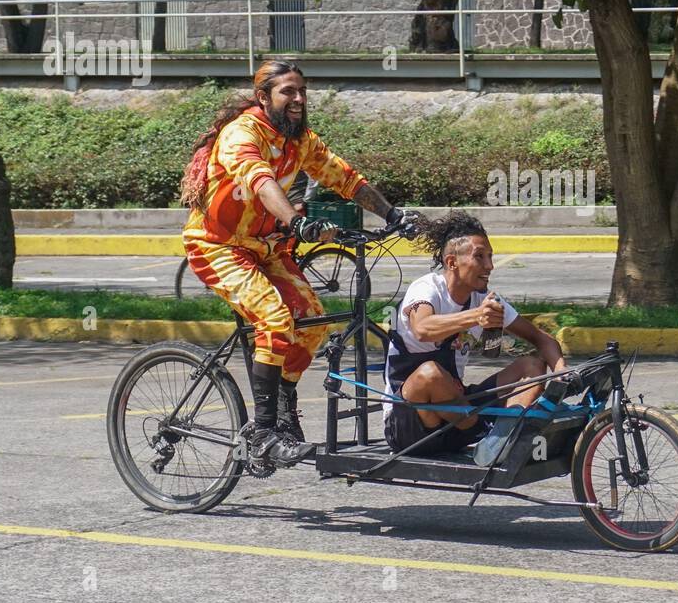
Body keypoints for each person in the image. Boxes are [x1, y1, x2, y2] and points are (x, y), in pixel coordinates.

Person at [179, 59, 415, 467]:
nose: (299, 99)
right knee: (274, 318)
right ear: (263, 97)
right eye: (288, 91)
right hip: (219, 247)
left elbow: (346, 178)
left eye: (302, 91)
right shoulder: (242, 134)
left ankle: (284, 407)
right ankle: (263, 432)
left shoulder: (300, 139)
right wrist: (297, 221)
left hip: (267, 248)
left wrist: (392, 215)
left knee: (313, 321)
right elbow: (260, 181)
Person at [383, 211, 567, 457]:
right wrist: (475, 317)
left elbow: (541, 339)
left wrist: (561, 372)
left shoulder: (484, 299)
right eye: (480, 257)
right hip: (410, 423)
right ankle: (488, 435)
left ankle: (501, 440)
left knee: (531, 365)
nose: (489, 266)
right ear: (452, 262)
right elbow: (423, 329)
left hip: (456, 411)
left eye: (490, 257)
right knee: (430, 373)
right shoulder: (427, 289)